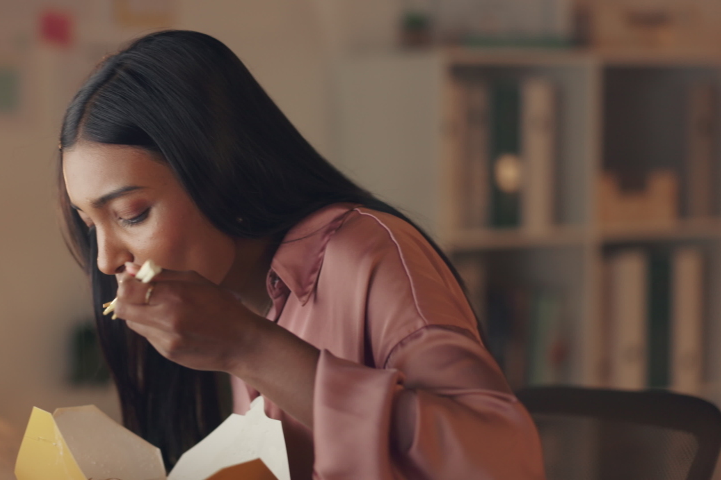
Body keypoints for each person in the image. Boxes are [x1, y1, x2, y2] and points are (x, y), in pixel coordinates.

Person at [57, 30, 545, 479]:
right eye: (89, 225)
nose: (105, 260)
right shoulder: (230, 296)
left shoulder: (367, 253)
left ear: (219, 174)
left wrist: (251, 347)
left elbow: (501, 464)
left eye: (130, 213)